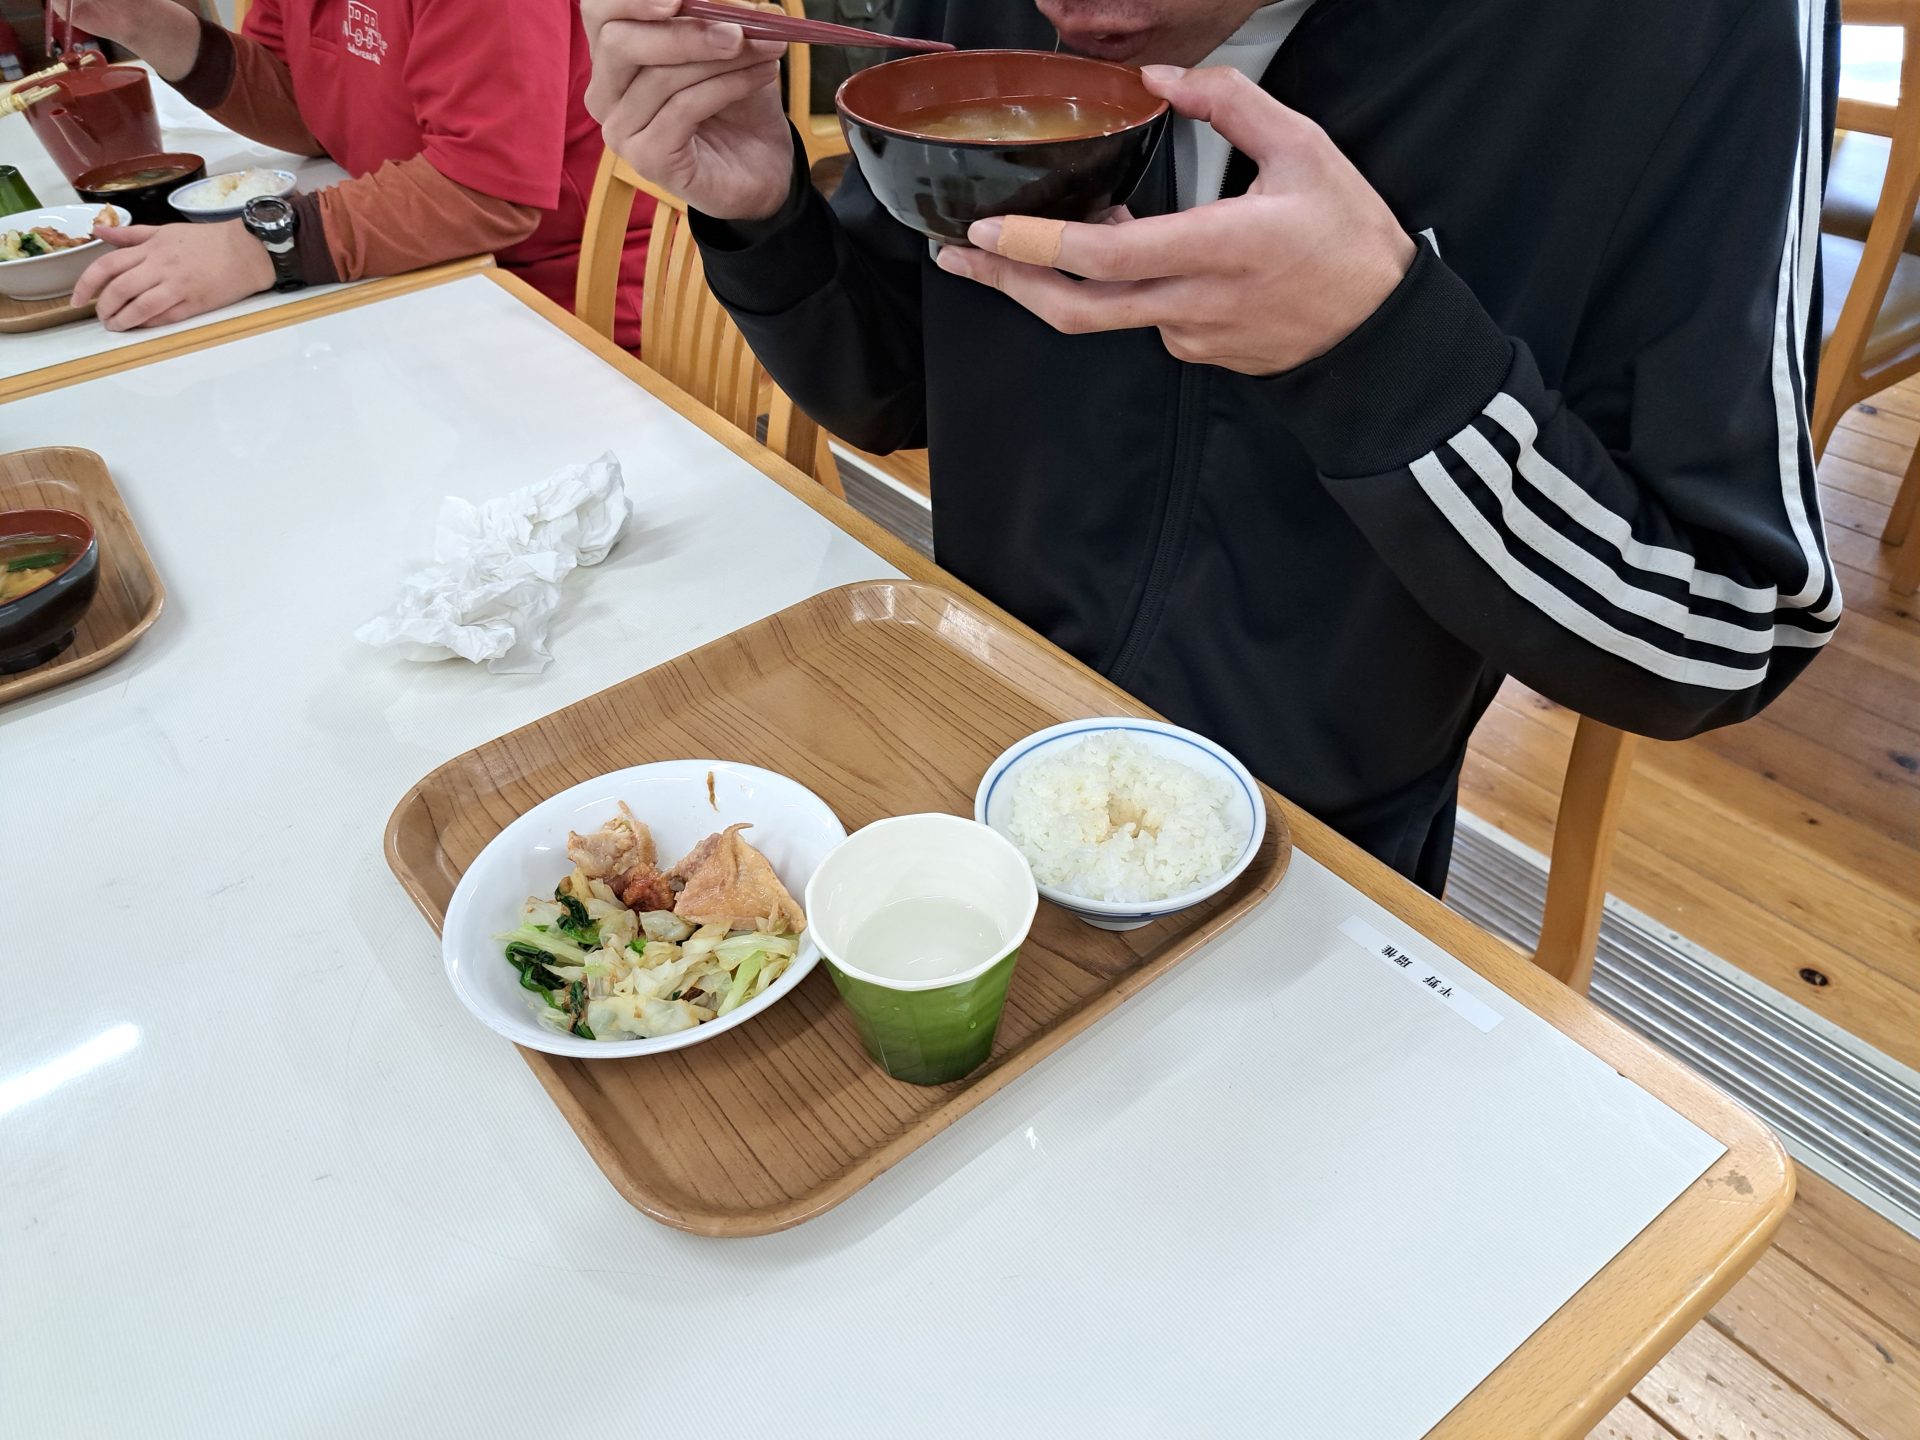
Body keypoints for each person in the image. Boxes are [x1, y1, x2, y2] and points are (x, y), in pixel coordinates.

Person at [583, 0, 1842, 892]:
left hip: (1321, 860)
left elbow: (1723, 628)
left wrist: (1381, 350)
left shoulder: (1678, 30)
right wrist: (763, 214)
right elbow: (901, 388)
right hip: (971, 741)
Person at [61, 0, 651, 343]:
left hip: (576, 311)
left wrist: (260, 246)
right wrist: (145, 24)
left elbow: (485, 192)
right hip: (425, 284)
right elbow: (311, 112)